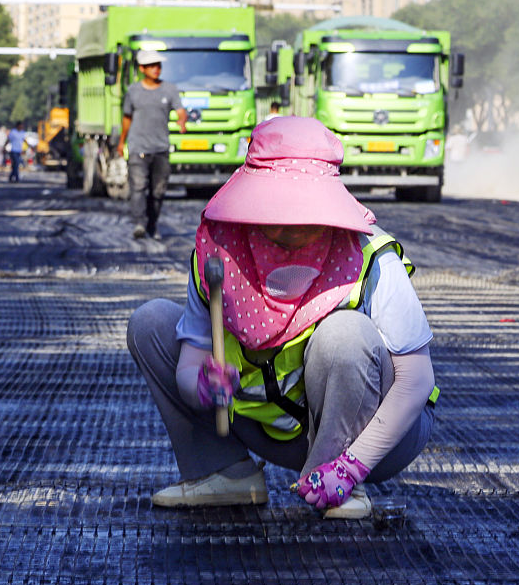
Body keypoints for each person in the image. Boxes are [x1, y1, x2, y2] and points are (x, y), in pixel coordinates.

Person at [126, 116, 438, 519]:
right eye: (278, 208)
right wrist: (200, 384)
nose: (291, 227)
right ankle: (224, 471)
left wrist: (353, 465)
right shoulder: (219, 253)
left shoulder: (369, 254)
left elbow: (416, 380)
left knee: (345, 333)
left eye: (304, 210)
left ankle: (336, 480)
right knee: (150, 322)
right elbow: (188, 364)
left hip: (374, 440)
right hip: (269, 428)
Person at [117, 50, 188, 239]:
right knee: (138, 187)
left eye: (158, 65)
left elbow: (180, 110)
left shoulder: (169, 89)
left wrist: (182, 121)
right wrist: (122, 141)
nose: (156, 69)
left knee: (158, 191)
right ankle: (139, 223)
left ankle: (152, 224)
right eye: (151, 66)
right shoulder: (133, 91)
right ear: (142, 68)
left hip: (160, 148)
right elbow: (127, 118)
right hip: (138, 147)